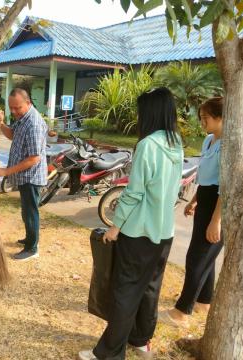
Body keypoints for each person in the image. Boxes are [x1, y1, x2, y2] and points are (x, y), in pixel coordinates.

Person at [78, 88, 183, 360]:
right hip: (164, 232)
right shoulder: (176, 143)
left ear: (149, 113)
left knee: (125, 292)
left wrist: (115, 226)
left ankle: (109, 353)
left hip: (138, 233)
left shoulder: (148, 145)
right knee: (150, 288)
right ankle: (141, 341)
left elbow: (134, 192)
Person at [159, 97, 223, 327]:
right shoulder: (208, 141)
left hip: (219, 205)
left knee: (197, 258)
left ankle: (181, 312)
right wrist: (194, 200)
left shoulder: (228, 145)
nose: (202, 122)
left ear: (221, 117)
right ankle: (204, 301)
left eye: (205, 118)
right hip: (205, 199)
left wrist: (217, 221)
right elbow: (205, 176)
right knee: (206, 256)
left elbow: (224, 187)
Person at [0, 88, 48, 261]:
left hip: (31, 176)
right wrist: (0, 124)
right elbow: (12, 134)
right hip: (24, 176)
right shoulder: (22, 118)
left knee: (31, 212)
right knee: (26, 211)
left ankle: (32, 248)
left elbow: (33, 159)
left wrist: (6, 171)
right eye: (11, 108)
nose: (14, 112)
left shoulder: (34, 124)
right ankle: (30, 238)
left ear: (28, 103)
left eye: (18, 108)